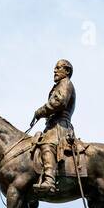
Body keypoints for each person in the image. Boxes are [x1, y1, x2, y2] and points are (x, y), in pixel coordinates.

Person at [30, 59, 76, 195]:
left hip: (60, 126)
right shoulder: (58, 85)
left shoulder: (65, 83)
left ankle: (49, 181)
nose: (54, 71)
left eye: (58, 68)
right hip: (51, 125)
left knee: (47, 144)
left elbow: (60, 102)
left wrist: (40, 111)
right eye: (55, 68)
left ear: (67, 71)